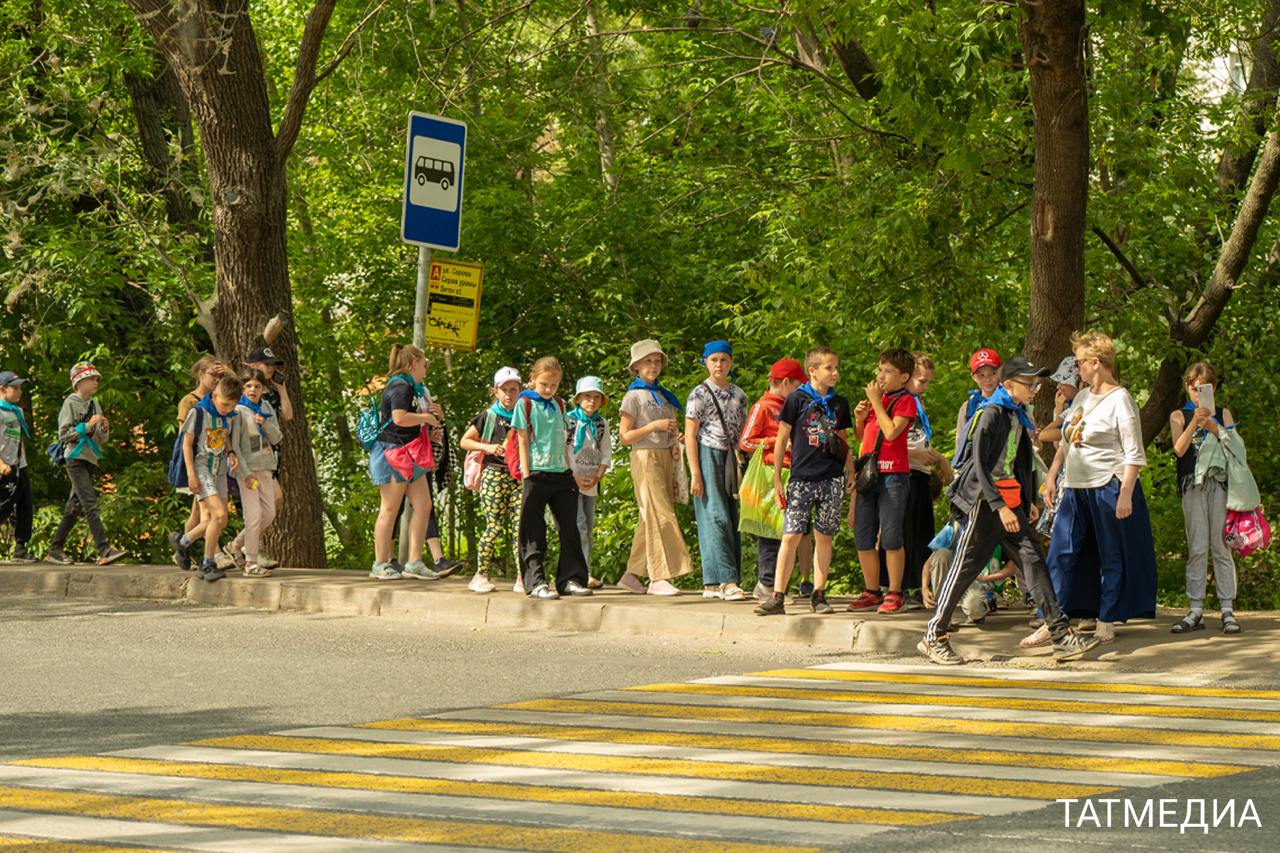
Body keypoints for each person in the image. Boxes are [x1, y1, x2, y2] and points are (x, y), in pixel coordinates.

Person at [919, 357, 1100, 664]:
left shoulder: (1017, 414)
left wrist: (1027, 500)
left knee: (1032, 559)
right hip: (983, 502)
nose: (1034, 389)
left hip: (1010, 502)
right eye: (1029, 384)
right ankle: (933, 635)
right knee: (965, 566)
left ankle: (1061, 634)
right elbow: (980, 465)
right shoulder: (991, 413)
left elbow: (1018, 464)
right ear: (1008, 385)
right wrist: (1000, 506)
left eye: (1036, 384)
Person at [1045, 331, 1158, 644]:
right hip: (1075, 486)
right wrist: (1053, 474)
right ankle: (1055, 617)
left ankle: (1107, 617)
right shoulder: (1081, 397)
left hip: (1106, 484)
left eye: (1080, 362)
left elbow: (1134, 453)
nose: (1077, 367)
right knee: (1061, 551)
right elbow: (1068, 440)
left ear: (1096, 363)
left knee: (1111, 554)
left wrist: (1125, 495)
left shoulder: (1121, 399)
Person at [755, 346, 853, 616]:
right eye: (829, 368)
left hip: (831, 478)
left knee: (824, 536)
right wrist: (777, 478)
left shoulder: (839, 403)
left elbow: (842, 440)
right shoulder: (796, 399)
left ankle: (819, 594)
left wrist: (851, 472)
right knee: (792, 535)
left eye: (836, 368)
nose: (835, 373)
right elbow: (782, 438)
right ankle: (777, 595)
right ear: (813, 371)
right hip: (800, 478)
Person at [511, 356, 591, 599]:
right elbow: (522, 439)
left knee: (570, 528)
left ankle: (571, 579)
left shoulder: (560, 404)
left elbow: (564, 440)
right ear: (533, 379)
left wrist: (570, 469)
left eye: (554, 385)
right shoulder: (524, 403)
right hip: (536, 472)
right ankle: (536, 581)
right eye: (544, 384)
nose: (548, 389)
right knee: (533, 530)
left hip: (561, 473)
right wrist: (526, 473)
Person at [1169, 362, 1240, 635]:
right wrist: (1195, 423)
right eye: (1194, 388)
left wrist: (1214, 426)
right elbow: (1178, 449)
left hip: (1220, 485)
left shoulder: (1223, 413)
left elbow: (1235, 448)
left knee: (1222, 547)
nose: (1198, 394)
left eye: (1204, 388)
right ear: (1188, 388)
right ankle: (1195, 609)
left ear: (1214, 388)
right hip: (1192, 485)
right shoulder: (1178, 415)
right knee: (1197, 546)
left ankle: (1227, 609)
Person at [617, 339, 693, 595]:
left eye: (657, 360)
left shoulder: (662, 395)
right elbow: (624, 437)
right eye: (647, 361)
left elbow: (668, 429)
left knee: (649, 515)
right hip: (644, 456)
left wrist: (676, 438)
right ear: (636, 365)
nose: (653, 365)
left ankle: (631, 574)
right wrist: (653, 427)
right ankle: (658, 576)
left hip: (665, 455)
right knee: (660, 513)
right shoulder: (632, 396)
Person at [878, 353, 951, 607]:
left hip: (919, 473)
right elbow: (884, 443)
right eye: (921, 381)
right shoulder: (894, 402)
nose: (924, 387)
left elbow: (920, 438)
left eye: (929, 382)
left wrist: (935, 461)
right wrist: (917, 454)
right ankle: (899, 587)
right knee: (901, 532)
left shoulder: (917, 403)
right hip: (900, 471)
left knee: (922, 533)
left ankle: (921, 587)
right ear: (906, 376)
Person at [847, 348, 916, 614]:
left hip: (894, 476)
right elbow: (862, 436)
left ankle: (895, 592)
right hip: (870, 476)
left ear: (904, 376)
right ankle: (871, 590)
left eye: (888, 372)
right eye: (880, 370)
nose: (881, 376)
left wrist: (876, 402)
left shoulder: (905, 401)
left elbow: (891, 432)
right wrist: (860, 419)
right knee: (863, 535)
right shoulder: (879, 401)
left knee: (890, 535)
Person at [367, 344, 440, 580]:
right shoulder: (400, 386)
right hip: (392, 454)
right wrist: (427, 417)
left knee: (423, 505)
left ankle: (414, 562)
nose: (426, 369)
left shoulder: (411, 388)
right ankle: (380, 563)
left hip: (409, 455)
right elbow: (399, 418)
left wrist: (427, 433)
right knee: (389, 509)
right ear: (413, 364)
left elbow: (405, 424)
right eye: (424, 364)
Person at [739, 357, 809, 599]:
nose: (802, 390)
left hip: (794, 472)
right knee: (771, 532)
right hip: (770, 475)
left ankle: (780, 583)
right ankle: (766, 584)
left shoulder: (795, 404)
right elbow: (746, 441)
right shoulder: (763, 406)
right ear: (786, 382)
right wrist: (776, 442)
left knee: (790, 532)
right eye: (799, 385)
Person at [45, 362, 126, 566]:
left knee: (74, 506)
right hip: (75, 458)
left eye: (97, 379)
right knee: (90, 502)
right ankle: (104, 549)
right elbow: (64, 435)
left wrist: (104, 429)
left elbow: (100, 439)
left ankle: (55, 549)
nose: (96, 382)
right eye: (92, 379)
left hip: (91, 458)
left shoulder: (95, 404)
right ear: (79, 382)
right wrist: (87, 425)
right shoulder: (70, 403)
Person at [686, 340, 749, 600]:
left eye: (724, 359)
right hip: (708, 452)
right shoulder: (698, 394)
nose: (719, 364)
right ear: (706, 363)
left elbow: (744, 431)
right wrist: (696, 473)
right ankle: (727, 580)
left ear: (731, 362)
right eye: (714, 360)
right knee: (714, 514)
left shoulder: (739, 394)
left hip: (732, 456)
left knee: (731, 517)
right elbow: (690, 434)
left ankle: (711, 582)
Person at [172, 374, 243, 582]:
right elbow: (186, 444)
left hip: (219, 469)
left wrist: (230, 453)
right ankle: (208, 562)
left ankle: (183, 542)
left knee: (220, 519)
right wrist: (191, 475)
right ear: (214, 396)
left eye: (231, 405)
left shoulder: (229, 415)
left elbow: (225, 436)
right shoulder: (198, 412)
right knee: (219, 515)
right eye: (224, 404)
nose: (226, 408)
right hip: (201, 468)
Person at [459, 367, 522, 593]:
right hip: (494, 474)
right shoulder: (488, 416)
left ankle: (521, 577)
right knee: (494, 526)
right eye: (504, 390)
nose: (508, 394)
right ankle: (480, 575)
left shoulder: (523, 414)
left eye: (513, 389)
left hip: (518, 476)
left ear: (520, 390)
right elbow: (464, 441)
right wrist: (487, 447)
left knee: (520, 527)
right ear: (495, 391)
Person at [226, 369, 283, 577]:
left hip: (266, 466)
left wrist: (265, 423)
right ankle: (250, 563)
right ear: (242, 388)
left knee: (269, 513)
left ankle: (236, 544)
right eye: (248, 386)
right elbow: (235, 445)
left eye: (257, 386)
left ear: (263, 389)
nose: (252, 390)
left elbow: (277, 438)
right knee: (254, 515)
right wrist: (244, 472)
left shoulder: (265, 407)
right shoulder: (238, 411)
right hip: (247, 470)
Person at [244, 346, 293, 569]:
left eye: (273, 365)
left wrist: (282, 390)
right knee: (269, 501)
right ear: (253, 366)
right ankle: (243, 549)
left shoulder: (268, 395)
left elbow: (287, 416)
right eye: (267, 364)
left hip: (267, 455)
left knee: (271, 504)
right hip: (247, 458)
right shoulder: (243, 394)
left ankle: (244, 546)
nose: (271, 369)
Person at [567, 375, 612, 589]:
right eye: (587, 396)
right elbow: (564, 450)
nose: (591, 401)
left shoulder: (602, 424)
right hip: (570, 479)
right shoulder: (569, 420)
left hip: (591, 479)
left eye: (596, 397)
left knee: (588, 525)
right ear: (578, 398)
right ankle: (577, 573)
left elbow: (605, 453)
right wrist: (574, 475)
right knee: (578, 526)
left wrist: (598, 475)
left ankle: (585, 569)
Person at [0, 371, 36, 562]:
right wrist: (1, 465)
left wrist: (22, 463)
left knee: (25, 505)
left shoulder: (17, 411)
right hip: (2, 466)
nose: (19, 391)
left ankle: (20, 548)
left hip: (19, 465)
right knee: (2, 508)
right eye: (15, 388)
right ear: (2, 389)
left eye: (20, 388)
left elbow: (18, 439)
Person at [954, 348, 1002, 461]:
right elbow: (960, 441)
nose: (988, 379)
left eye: (993, 373)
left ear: (1001, 372)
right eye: (981, 375)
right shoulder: (969, 407)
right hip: (977, 467)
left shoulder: (1012, 401)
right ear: (974, 377)